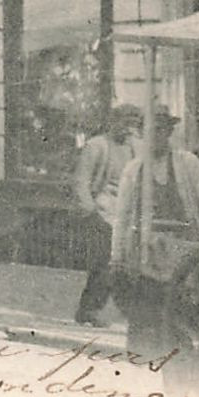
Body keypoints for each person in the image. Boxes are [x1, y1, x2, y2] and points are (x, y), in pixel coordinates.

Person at [111, 108, 199, 364]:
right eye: (149, 131)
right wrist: (117, 256)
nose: (155, 137)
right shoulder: (134, 170)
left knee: (183, 320)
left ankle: (181, 370)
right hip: (148, 257)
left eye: (160, 130)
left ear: (168, 132)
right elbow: (121, 218)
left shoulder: (188, 163)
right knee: (147, 320)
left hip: (184, 258)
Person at [73, 105, 141, 326]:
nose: (128, 129)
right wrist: (90, 210)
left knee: (130, 265)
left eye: (132, 124)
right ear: (113, 121)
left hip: (126, 215)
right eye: (124, 123)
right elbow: (81, 181)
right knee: (104, 263)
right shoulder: (96, 146)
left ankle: (132, 312)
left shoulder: (135, 148)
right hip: (102, 211)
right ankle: (89, 310)